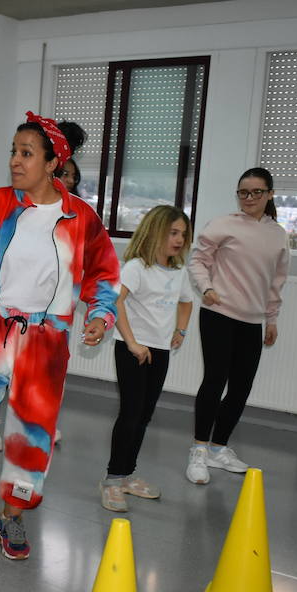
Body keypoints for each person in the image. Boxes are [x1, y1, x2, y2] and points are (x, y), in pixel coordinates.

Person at [0, 113, 118, 581]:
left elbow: (104, 275)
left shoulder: (81, 218)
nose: (14, 160)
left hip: (45, 342)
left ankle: (11, 517)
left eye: (26, 153)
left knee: (32, 439)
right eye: (13, 150)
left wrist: (99, 314)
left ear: (54, 163)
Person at [186, 166, 290, 484]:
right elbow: (198, 260)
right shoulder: (223, 225)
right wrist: (206, 288)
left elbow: (276, 282)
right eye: (243, 192)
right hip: (219, 314)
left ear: (270, 194)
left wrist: (271, 319)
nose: (249, 198)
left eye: (257, 192)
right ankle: (199, 452)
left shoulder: (278, 235)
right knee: (215, 381)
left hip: (252, 321)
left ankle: (219, 449)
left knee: (241, 387)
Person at [100, 205, 193, 512]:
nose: (178, 239)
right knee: (130, 413)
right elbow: (117, 301)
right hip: (133, 351)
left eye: (182, 234)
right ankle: (112, 479)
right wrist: (132, 342)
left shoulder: (178, 272)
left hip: (160, 350)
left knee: (144, 415)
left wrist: (180, 330)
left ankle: (128, 475)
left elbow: (186, 303)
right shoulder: (137, 267)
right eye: (172, 233)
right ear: (155, 232)